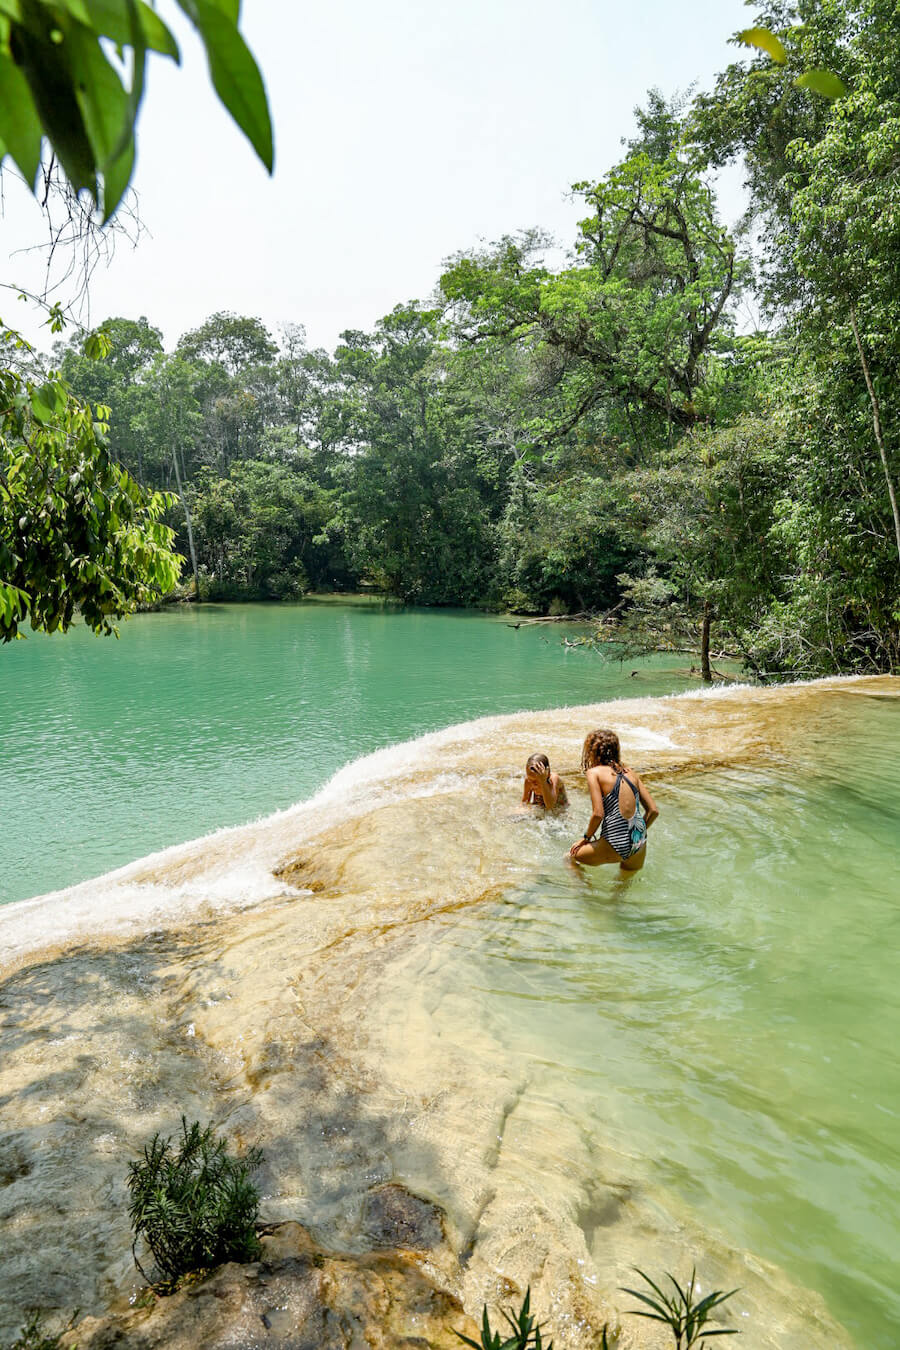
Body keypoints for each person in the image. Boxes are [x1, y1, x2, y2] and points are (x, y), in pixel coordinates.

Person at [568, 729, 658, 872]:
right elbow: (653, 811)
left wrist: (585, 839)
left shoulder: (594, 773)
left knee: (570, 858)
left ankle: (586, 893)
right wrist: (635, 835)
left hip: (615, 842)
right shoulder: (631, 773)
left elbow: (598, 814)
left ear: (592, 751)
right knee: (622, 887)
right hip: (639, 841)